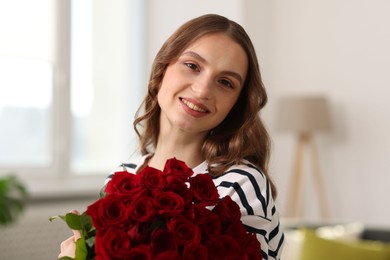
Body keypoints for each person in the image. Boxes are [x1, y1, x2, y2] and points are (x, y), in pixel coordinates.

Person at [59, 13, 284, 259]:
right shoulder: (121, 176)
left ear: (236, 104)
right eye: (192, 66)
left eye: (225, 82)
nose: (202, 90)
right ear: (162, 69)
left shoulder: (240, 183)